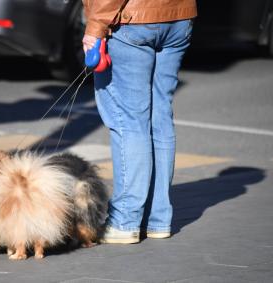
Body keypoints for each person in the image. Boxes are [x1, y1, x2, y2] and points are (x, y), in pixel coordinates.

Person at [82, 0, 197, 243]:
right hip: (179, 18)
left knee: (130, 120)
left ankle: (125, 220)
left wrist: (95, 27)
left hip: (131, 21)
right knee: (160, 115)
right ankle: (158, 220)